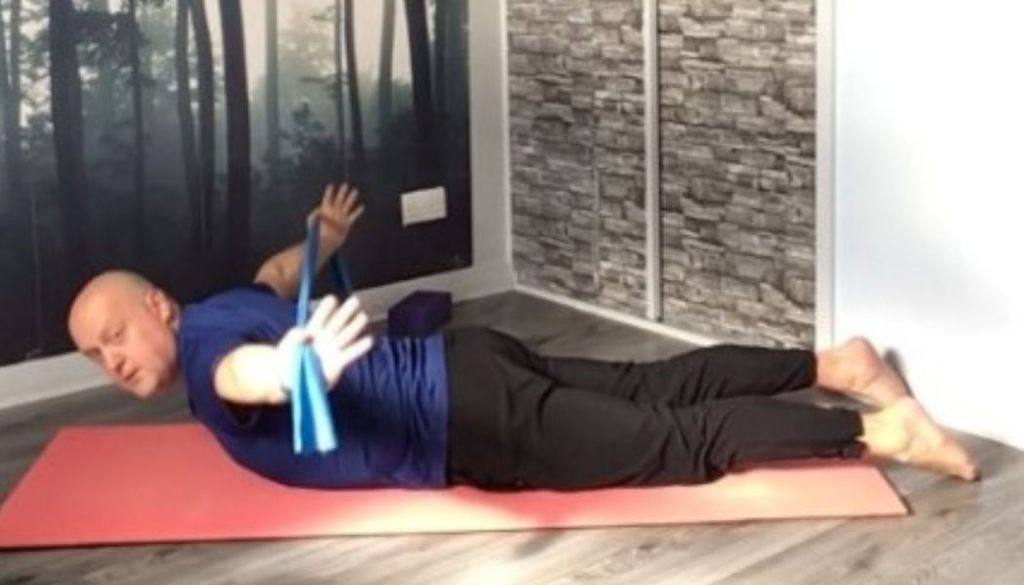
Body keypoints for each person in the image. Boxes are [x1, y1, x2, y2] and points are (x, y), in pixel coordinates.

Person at [67, 183, 979, 492]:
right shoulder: (221, 303)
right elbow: (276, 275)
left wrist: (288, 369)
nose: (112, 361)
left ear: (159, 306)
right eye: (95, 356)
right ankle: (833, 363)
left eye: (114, 334)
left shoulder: (205, 356)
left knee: (673, 442)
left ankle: (877, 431)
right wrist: (324, 243)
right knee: (650, 385)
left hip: (464, 421)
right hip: (469, 360)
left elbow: (243, 373)